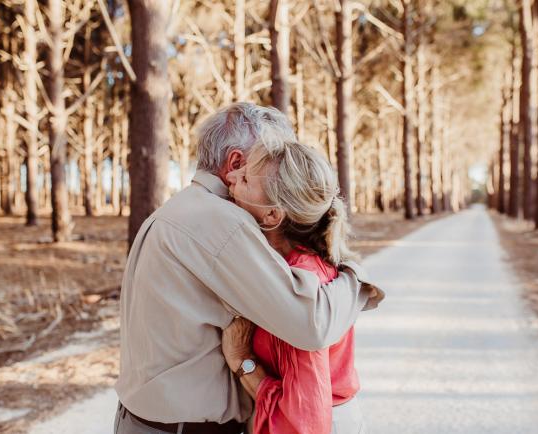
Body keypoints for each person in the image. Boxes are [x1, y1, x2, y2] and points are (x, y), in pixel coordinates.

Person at [114, 103, 382, 434]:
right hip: (184, 428)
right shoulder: (222, 221)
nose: (279, 164)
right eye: (269, 159)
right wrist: (355, 279)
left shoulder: (178, 208)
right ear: (237, 162)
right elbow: (311, 325)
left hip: (144, 421)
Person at [221, 140, 370, 434]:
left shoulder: (299, 287)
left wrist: (242, 361)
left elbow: (304, 419)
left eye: (246, 179)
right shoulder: (292, 264)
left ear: (273, 215)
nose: (231, 178)